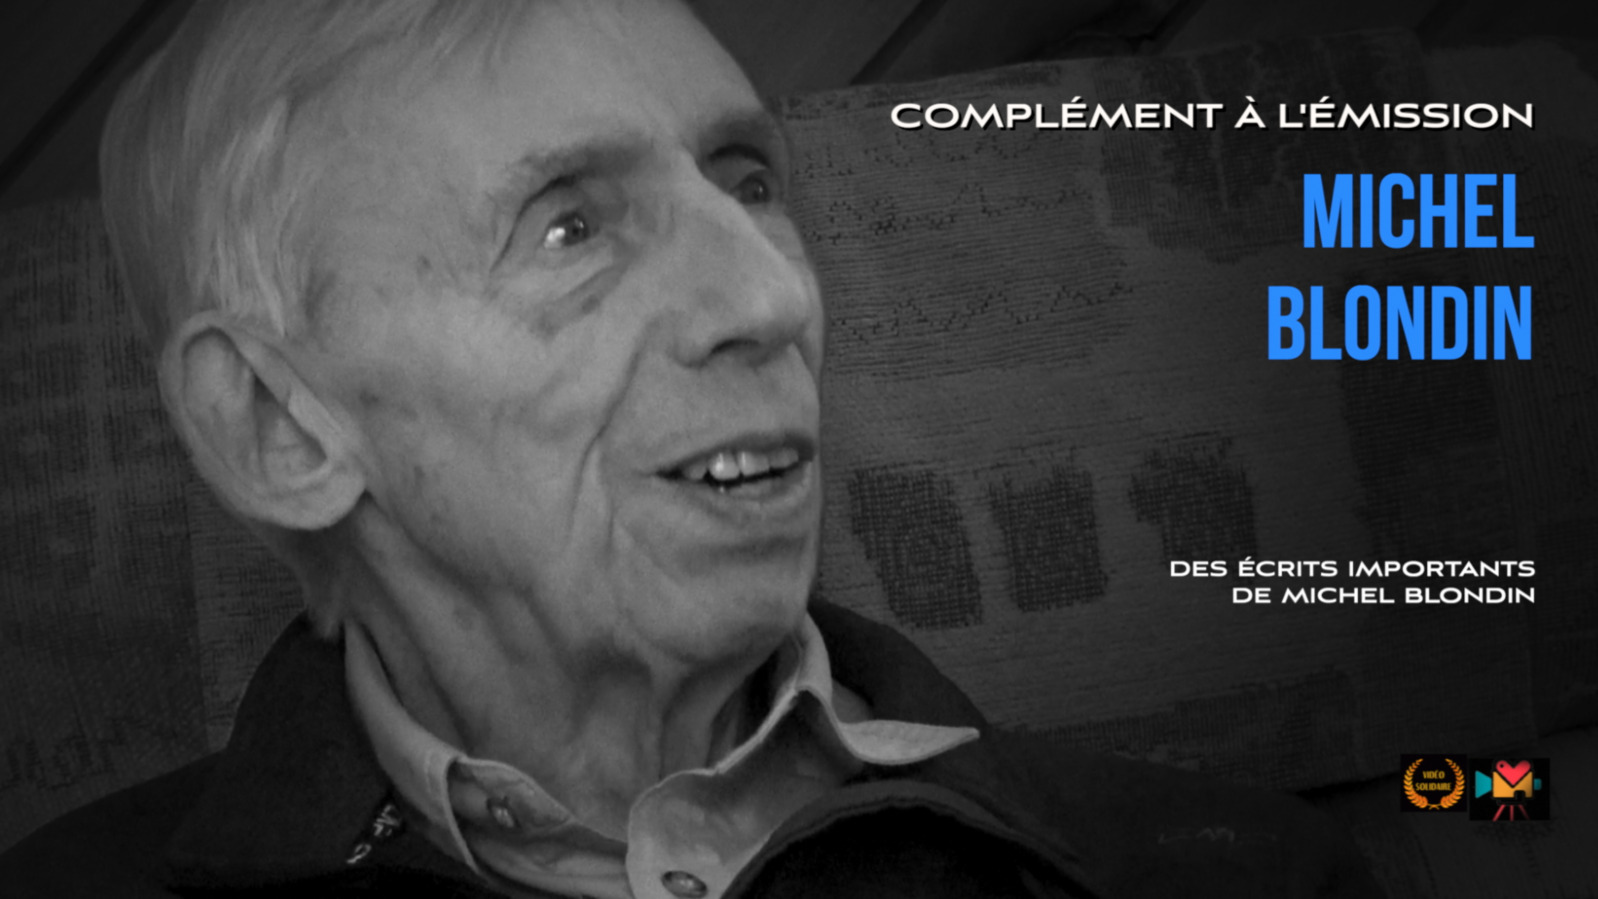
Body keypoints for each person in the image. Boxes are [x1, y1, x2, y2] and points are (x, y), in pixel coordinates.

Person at [0, 1, 1381, 896]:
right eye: (568, 226)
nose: (775, 298)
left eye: (749, 183)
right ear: (280, 425)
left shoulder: (1231, 875)